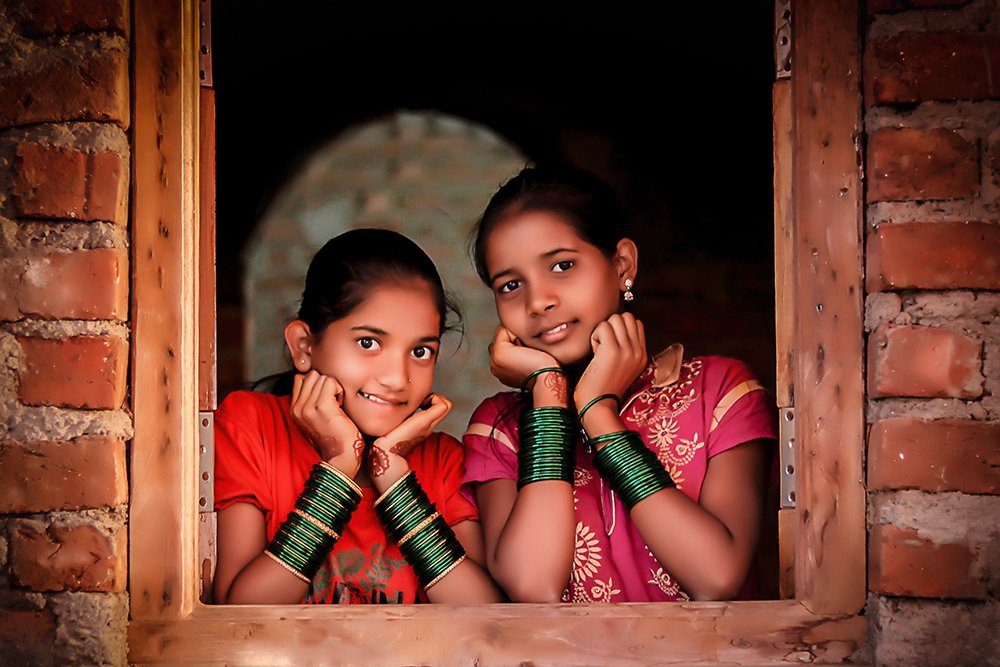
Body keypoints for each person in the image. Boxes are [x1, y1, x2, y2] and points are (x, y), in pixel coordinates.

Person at [461, 165, 778, 603]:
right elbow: (534, 587)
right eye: (511, 285)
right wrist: (549, 395)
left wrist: (598, 413)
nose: (538, 301)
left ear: (622, 264)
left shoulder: (719, 392)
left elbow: (716, 577)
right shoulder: (501, 429)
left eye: (562, 265)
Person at [212, 228, 502, 605]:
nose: (397, 378)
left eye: (420, 351)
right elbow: (241, 611)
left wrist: (395, 481)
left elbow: (486, 616)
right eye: (368, 342)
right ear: (304, 346)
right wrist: (338, 468)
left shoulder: (441, 461)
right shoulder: (252, 426)